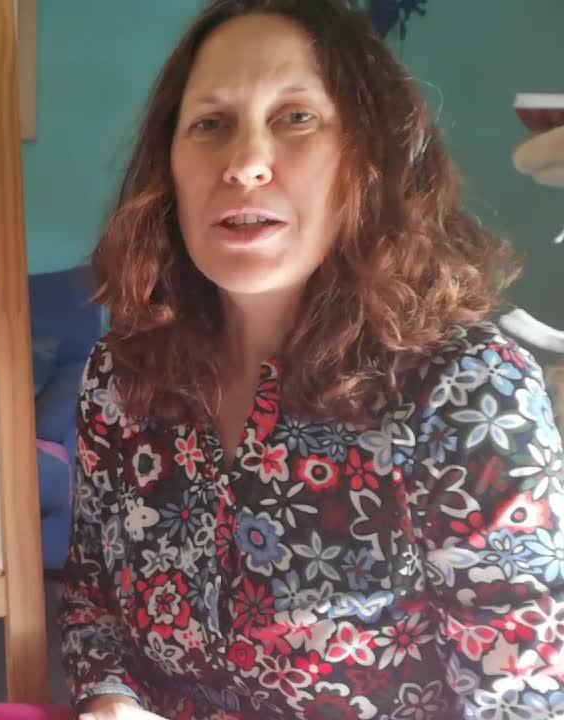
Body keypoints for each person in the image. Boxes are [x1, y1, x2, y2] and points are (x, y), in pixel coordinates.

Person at [57, 1, 564, 718]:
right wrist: (110, 698)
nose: (244, 163)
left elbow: (525, 699)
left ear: (366, 157)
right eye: (210, 123)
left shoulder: (468, 391)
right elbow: (92, 600)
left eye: (296, 117)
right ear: (168, 168)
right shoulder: (122, 378)